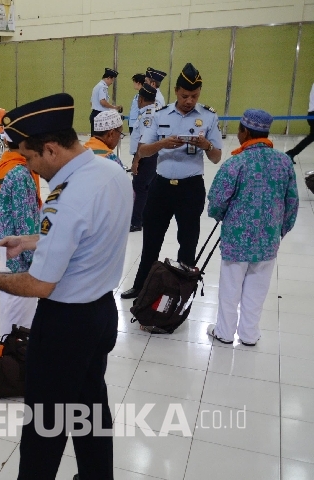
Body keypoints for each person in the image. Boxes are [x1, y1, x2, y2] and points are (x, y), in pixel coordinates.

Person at [0, 92, 132, 480]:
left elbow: (39, 283)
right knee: (90, 405)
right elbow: (87, 237)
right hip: (100, 313)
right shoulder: (111, 174)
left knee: (46, 413)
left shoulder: (68, 197)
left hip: (65, 324)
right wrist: (32, 240)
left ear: (52, 149)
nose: (30, 167)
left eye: (30, 157)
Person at [121, 63, 223, 300]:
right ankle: (140, 286)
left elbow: (217, 157)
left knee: (187, 243)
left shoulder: (208, 116)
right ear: (176, 91)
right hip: (161, 187)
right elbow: (143, 151)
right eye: (185, 95)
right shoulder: (161, 114)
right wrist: (162, 144)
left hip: (191, 188)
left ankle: (181, 291)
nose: (189, 100)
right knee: (151, 241)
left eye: (195, 96)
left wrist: (206, 145)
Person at [206, 109, 298, 345]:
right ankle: (249, 334)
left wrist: (219, 215)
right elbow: (292, 201)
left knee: (230, 289)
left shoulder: (236, 163)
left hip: (237, 240)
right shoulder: (284, 162)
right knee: (257, 290)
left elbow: (217, 200)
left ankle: (225, 333)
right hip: (268, 240)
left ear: (245, 132)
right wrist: (281, 229)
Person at [0, 135, 41, 335]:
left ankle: (8, 356)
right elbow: (24, 222)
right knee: (19, 323)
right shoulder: (20, 173)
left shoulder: (4, 165)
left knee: (10, 311)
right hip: (19, 262)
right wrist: (35, 260)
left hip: (5, 255)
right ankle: (12, 359)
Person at [129, 83, 159, 232]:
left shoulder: (147, 116)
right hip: (153, 155)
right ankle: (144, 218)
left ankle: (136, 222)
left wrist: (136, 161)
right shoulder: (155, 111)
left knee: (140, 188)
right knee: (147, 188)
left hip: (145, 156)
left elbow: (143, 140)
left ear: (140, 99)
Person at [286, 82, 314, 163]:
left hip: (311, 113)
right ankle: (291, 153)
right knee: (311, 137)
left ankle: (291, 153)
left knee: (311, 137)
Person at [90, 68, 122, 135]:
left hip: (95, 114)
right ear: (108, 78)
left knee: (95, 138)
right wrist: (114, 107)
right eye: (112, 80)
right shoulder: (102, 87)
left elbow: (91, 102)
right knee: (100, 138)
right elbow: (103, 102)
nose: (111, 83)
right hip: (100, 115)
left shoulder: (97, 86)